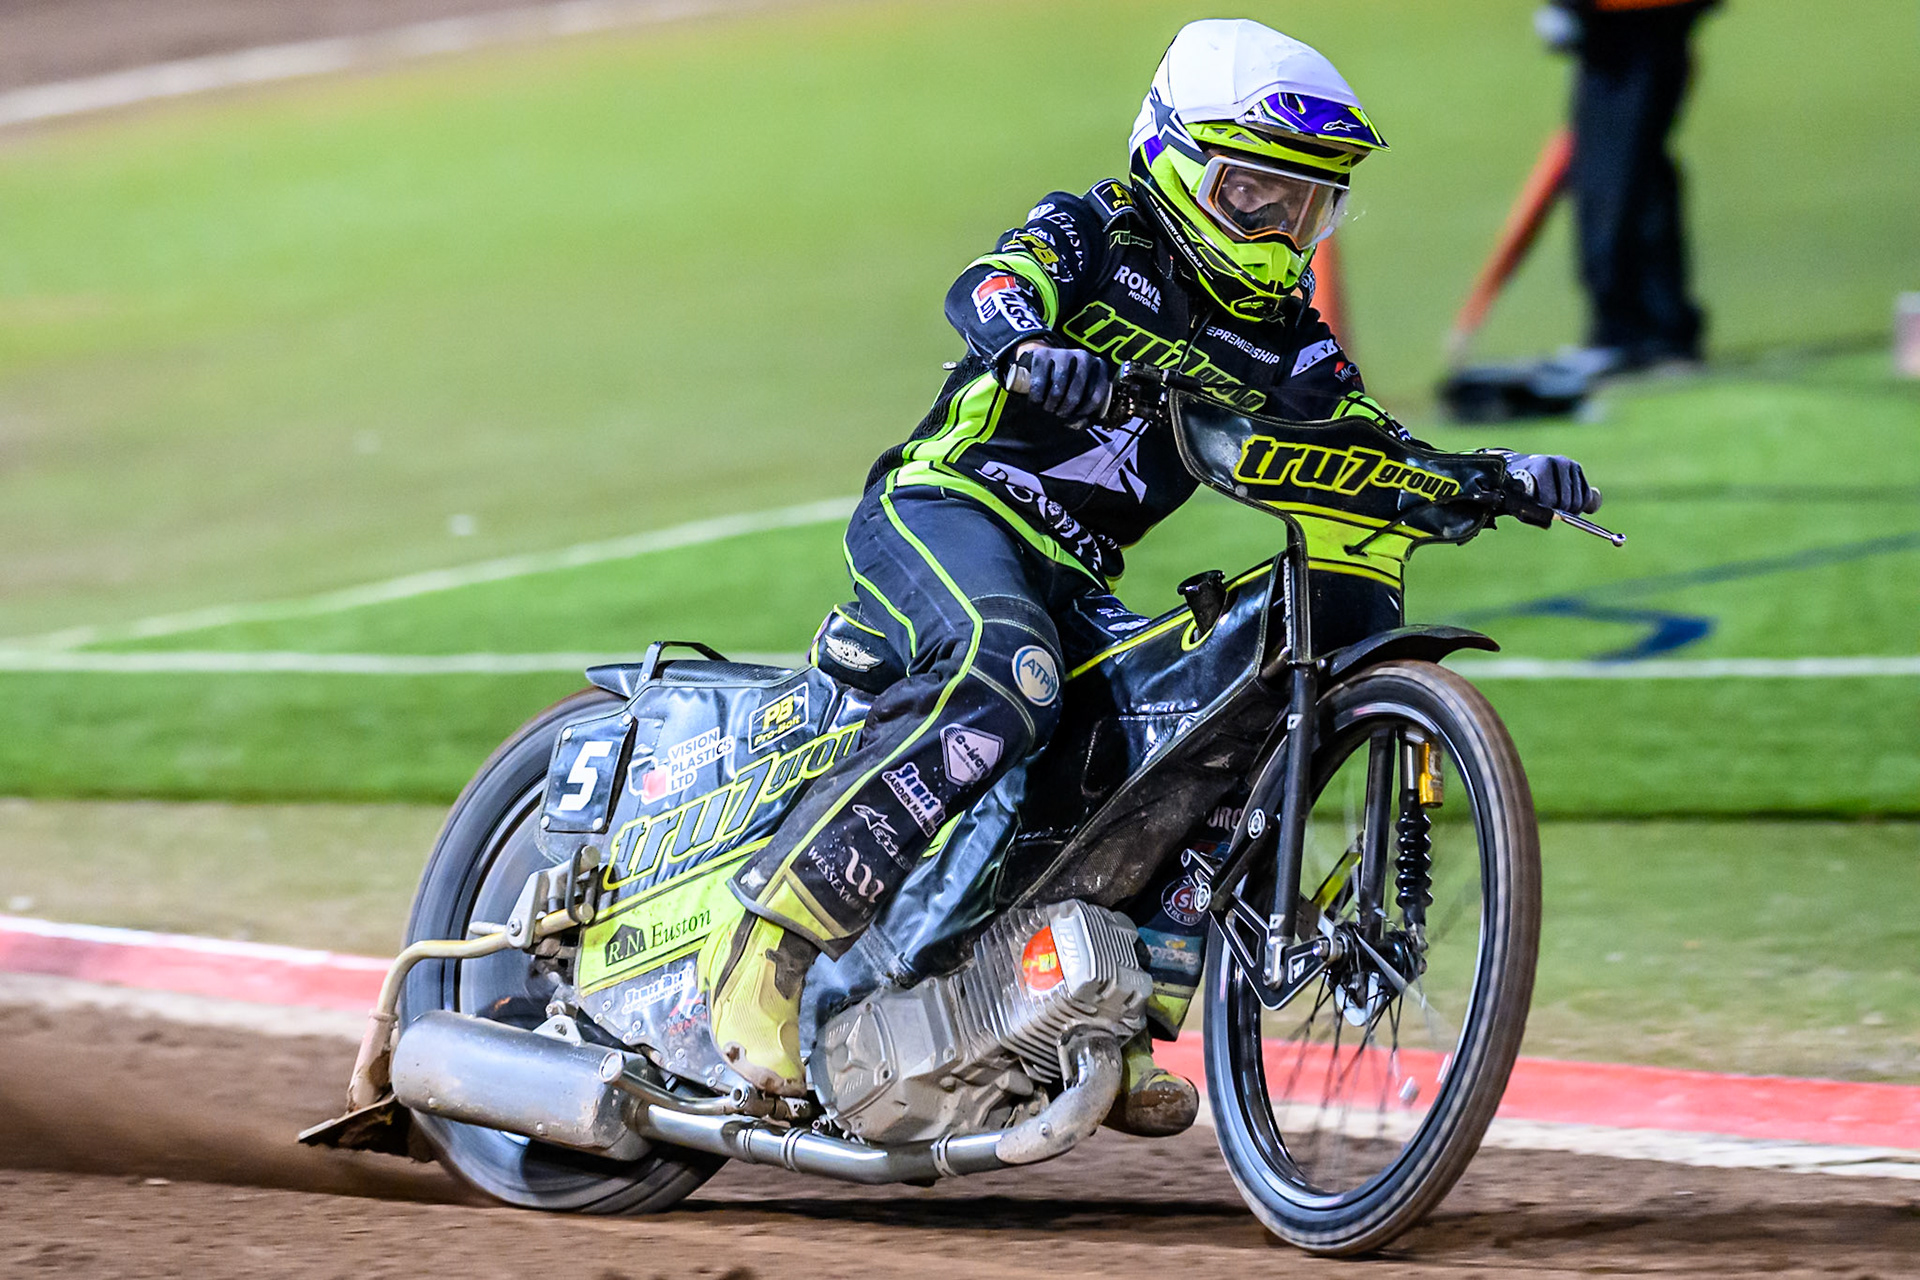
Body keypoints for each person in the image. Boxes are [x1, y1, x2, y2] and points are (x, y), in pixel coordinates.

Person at [697, 18, 1599, 1133]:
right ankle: (767, 945)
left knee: (1183, 728)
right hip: (949, 505)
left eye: (1306, 203)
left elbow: (1367, 438)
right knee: (1008, 671)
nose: (1280, 228)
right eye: (1253, 193)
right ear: (1175, 158)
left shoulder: (1283, 331)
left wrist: (1491, 475)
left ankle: (1084, 1012)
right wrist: (1028, 348)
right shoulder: (1095, 229)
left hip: (1075, 574)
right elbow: (985, 286)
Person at [1537, 0, 1719, 386]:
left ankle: (1637, 330)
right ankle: (1650, 326)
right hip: (1632, 16)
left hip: (1627, 14)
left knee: (1615, 172)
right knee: (1636, 169)